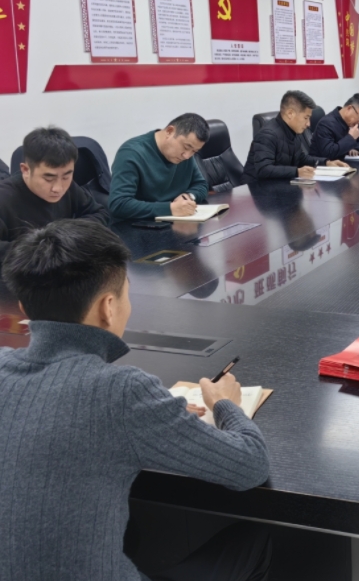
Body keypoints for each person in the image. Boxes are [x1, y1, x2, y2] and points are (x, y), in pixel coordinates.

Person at [0, 220, 272, 580]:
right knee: (255, 540)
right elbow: (250, 466)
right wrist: (226, 405)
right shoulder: (121, 391)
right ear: (108, 306)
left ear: (23, 306)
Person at [0, 127, 108, 260]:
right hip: (24, 268)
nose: (58, 188)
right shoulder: (4, 199)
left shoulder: (69, 187)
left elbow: (99, 213)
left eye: (66, 176)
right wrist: (46, 247)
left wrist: (68, 233)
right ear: (26, 169)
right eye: (49, 179)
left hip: (65, 261)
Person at [108, 113, 210, 222]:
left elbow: (201, 184)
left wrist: (188, 197)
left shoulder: (184, 155)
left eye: (194, 151)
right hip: (139, 225)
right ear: (169, 131)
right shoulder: (131, 153)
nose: (187, 156)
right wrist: (169, 209)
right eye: (186, 147)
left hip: (176, 222)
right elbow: (119, 204)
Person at [242, 90, 347, 184]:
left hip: (278, 187)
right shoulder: (267, 135)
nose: (308, 124)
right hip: (257, 191)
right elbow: (264, 169)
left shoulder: (293, 131)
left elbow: (301, 158)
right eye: (306, 118)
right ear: (290, 114)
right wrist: (297, 172)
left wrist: (326, 162)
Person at [309, 93, 359, 160]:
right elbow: (329, 153)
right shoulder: (326, 124)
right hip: (322, 165)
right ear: (349, 108)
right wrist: (351, 138)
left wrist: (356, 149)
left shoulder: (352, 123)